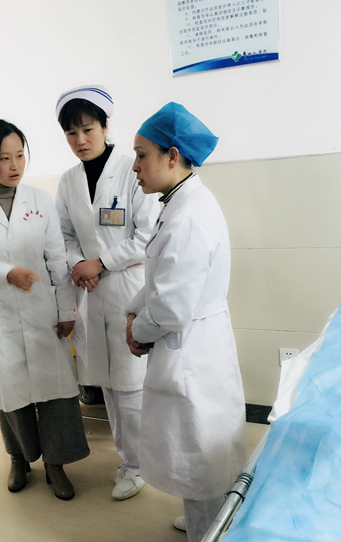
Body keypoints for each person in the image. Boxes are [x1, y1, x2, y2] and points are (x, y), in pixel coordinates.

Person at [126, 102, 247, 542]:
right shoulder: (180, 201)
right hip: (194, 342)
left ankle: (208, 529)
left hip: (192, 349)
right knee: (198, 448)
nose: (135, 166)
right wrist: (133, 310)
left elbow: (171, 308)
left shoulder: (189, 216)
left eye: (142, 155)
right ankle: (204, 516)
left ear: (172, 156)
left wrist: (136, 330)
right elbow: (160, 275)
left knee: (200, 451)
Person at [0, 120, 89, 501]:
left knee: (55, 392)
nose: (15, 166)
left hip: (42, 311)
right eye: (4, 158)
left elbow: (57, 259)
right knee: (9, 390)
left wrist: (66, 310)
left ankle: (56, 464)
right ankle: (18, 458)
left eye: (20, 156)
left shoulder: (39, 200)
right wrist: (7, 273)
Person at [54, 85, 159, 500]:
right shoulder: (68, 181)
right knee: (110, 387)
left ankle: (140, 466)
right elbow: (64, 235)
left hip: (125, 289)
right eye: (71, 133)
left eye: (88, 129)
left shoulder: (131, 170)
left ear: (105, 126)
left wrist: (99, 263)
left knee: (131, 385)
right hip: (91, 292)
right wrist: (80, 264)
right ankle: (130, 460)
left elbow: (147, 235)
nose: (80, 140)